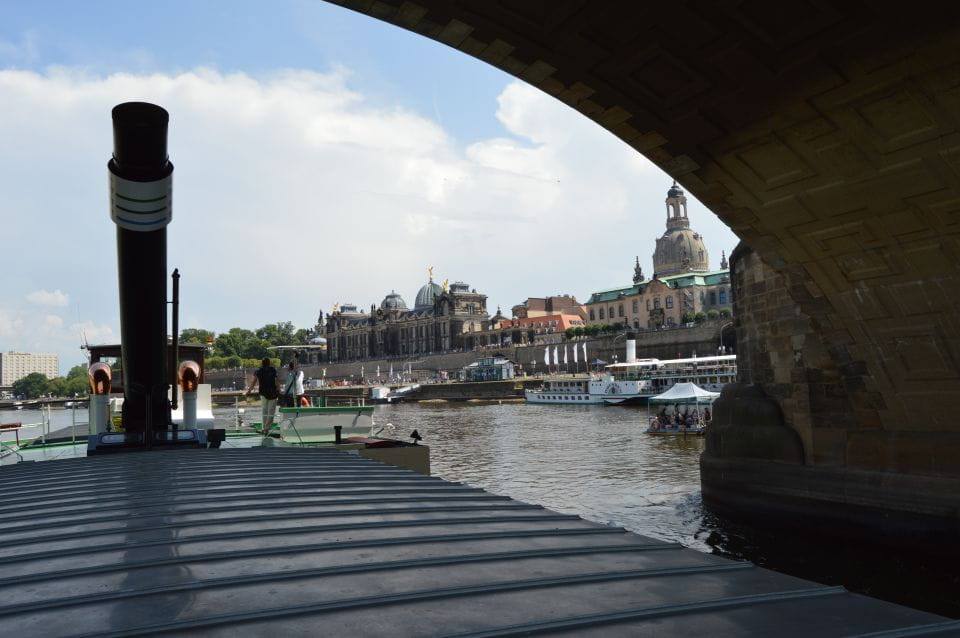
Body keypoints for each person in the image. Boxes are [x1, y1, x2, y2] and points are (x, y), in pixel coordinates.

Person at [245, 357, 278, 435]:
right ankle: (267, 427)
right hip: (273, 392)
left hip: (263, 392)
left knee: (264, 410)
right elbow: (276, 381)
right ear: (269, 363)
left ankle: (264, 428)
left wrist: (249, 391)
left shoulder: (258, 371)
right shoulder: (273, 370)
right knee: (271, 411)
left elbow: (253, 382)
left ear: (262, 363)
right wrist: (279, 390)